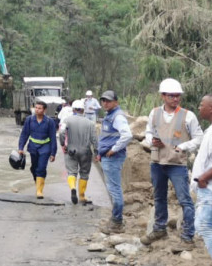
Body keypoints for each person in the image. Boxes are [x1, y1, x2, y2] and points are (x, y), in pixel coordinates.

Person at [140, 78, 203, 250]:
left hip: (177, 165)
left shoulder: (187, 116)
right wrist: (151, 140)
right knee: (159, 197)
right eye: (172, 96)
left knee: (185, 200)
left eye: (178, 96)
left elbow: (199, 137)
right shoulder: (155, 113)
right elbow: (148, 132)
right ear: (163, 96)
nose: (176, 99)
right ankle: (159, 229)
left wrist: (183, 146)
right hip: (157, 162)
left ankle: (187, 237)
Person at [95, 90, 132, 234]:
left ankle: (117, 222)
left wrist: (113, 150)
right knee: (112, 189)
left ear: (116, 102)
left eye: (108, 101)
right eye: (103, 100)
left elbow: (127, 135)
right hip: (107, 157)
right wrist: (101, 153)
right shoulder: (109, 115)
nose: (105, 103)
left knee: (115, 189)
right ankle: (115, 219)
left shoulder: (117, 116)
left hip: (113, 158)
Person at [18, 100, 57, 199]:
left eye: (39, 108)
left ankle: (39, 191)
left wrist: (53, 153)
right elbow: (24, 134)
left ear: (44, 110)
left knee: (41, 168)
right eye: (36, 108)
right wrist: (21, 147)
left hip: (45, 148)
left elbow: (53, 138)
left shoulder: (49, 122)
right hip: (33, 148)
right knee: (34, 168)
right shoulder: (29, 120)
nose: (37, 110)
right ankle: (38, 182)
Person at [61, 99, 96, 205]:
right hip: (85, 151)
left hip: (71, 150)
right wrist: (97, 152)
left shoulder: (67, 120)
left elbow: (62, 132)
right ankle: (82, 196)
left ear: (73, 109)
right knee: (84, 174)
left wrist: (64, 144)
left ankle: (73, 188)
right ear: (83, 110)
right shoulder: (90, 123)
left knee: (72, 172)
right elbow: (94, 139)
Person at [191, 95, 212, 260]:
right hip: (207, 189)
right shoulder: (211, 130)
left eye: (201, 104)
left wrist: (203, 178)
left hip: (209, 189)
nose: (199, 108)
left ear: (211, 108)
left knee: (204, 226)